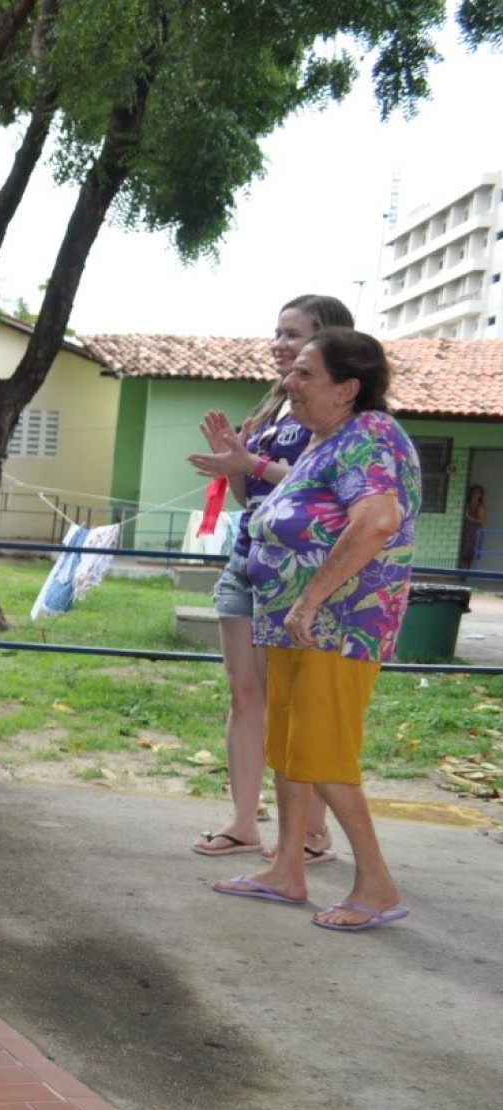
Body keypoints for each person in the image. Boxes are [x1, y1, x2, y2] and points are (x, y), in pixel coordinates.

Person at [211, 330, 419, 933]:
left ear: (347, 388)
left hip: (339, 624)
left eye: (304, 373)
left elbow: (377, 519)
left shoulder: (372, 436)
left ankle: (376, 885)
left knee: (324, 755)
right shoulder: (328, 439)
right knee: (293, 749)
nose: (288, 383)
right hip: (298, 624)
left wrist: (309, 599)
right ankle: (285, 869)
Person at [186, 296, 352, 862]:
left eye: (293, 335)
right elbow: (251, 492)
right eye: (276, 333)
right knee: (246, 696)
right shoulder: (271, 408)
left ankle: (311, 831)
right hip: (247, 560)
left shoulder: (340, 415)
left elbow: (321, 485)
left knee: (297, 703)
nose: (279, 344)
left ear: (324, 343)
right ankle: (244, 821)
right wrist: (235, 461)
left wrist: (250, 463)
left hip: (300, 571)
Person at [460, 484, 487, 571]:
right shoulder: (467, 504)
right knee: (463, 552)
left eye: (477, 493)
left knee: (470, 554)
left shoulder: (481, 507)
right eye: (473, 492)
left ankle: (466, 574)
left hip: (474, 531)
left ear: (480, 495)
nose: (475, 494)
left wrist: (468, 517)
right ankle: (461, 572)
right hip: (466, 530)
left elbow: (481, 521)